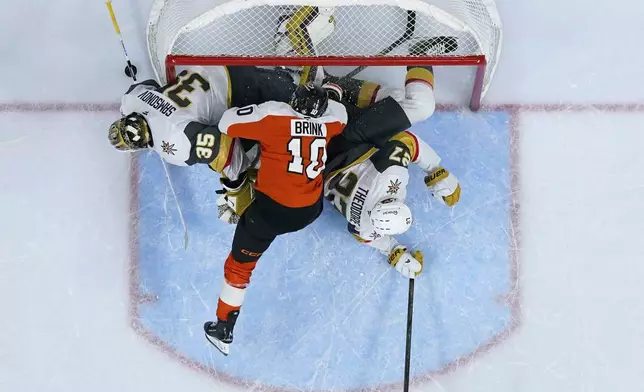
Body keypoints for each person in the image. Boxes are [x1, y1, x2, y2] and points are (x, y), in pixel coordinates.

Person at [202, 83, 347, 355]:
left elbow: (226, 123)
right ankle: (246, 199)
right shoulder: (333, 120)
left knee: (239, 266)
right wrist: (331, 93)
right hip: (309, 211)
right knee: (275, 167)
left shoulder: (275, 114)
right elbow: (339, 110)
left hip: (270, 214)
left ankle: (224, 328)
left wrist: (263, 113)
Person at [323, 130, 461, 278]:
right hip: (321, 177)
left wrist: (435, 169)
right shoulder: (365, 227)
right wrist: (392, 251)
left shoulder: (391, 175)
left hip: (341, 149)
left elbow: (405, 140)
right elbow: (361, 236)